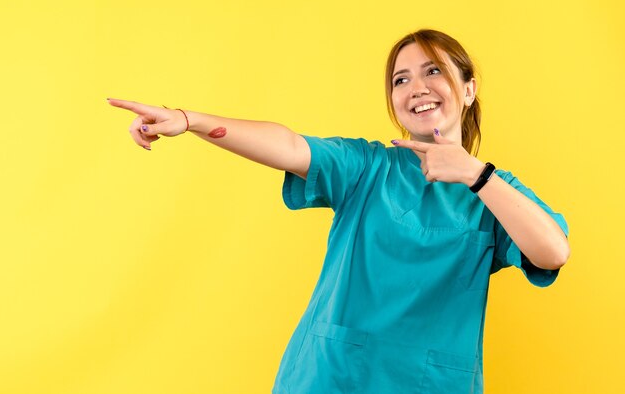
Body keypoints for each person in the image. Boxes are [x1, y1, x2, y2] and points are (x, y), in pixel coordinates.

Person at [108, 28, 570, 394]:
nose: (417, 88)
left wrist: (475, 174)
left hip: (433, 383)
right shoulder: (368, 168)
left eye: (434, 72)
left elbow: (552, 252)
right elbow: (288, 145)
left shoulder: (495, 192)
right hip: (331, 377)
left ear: (469, 90)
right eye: (401, 79)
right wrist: (190, 121)